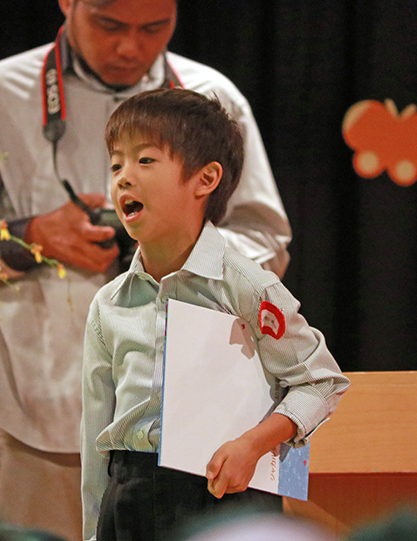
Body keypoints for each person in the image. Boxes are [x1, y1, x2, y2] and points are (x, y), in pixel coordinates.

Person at [0, 1, 291, 539]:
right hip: (37, 416)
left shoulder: (214, 96)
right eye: (110, 25)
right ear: (68, 3)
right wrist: (30, 237)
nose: (130, 47)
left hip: (191, 431)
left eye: (154, 28)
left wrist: (179, 246)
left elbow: (267, 242)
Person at [81, 87, 350, 541]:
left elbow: (321, 381)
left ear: (205, 179)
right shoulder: (109, 302)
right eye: (115, 164)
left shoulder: (246, 284)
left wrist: (253, 444)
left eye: (145, 161)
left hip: (221, 493)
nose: (123, 177)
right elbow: (94, 429)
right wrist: (91, 530)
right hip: (129, 497)